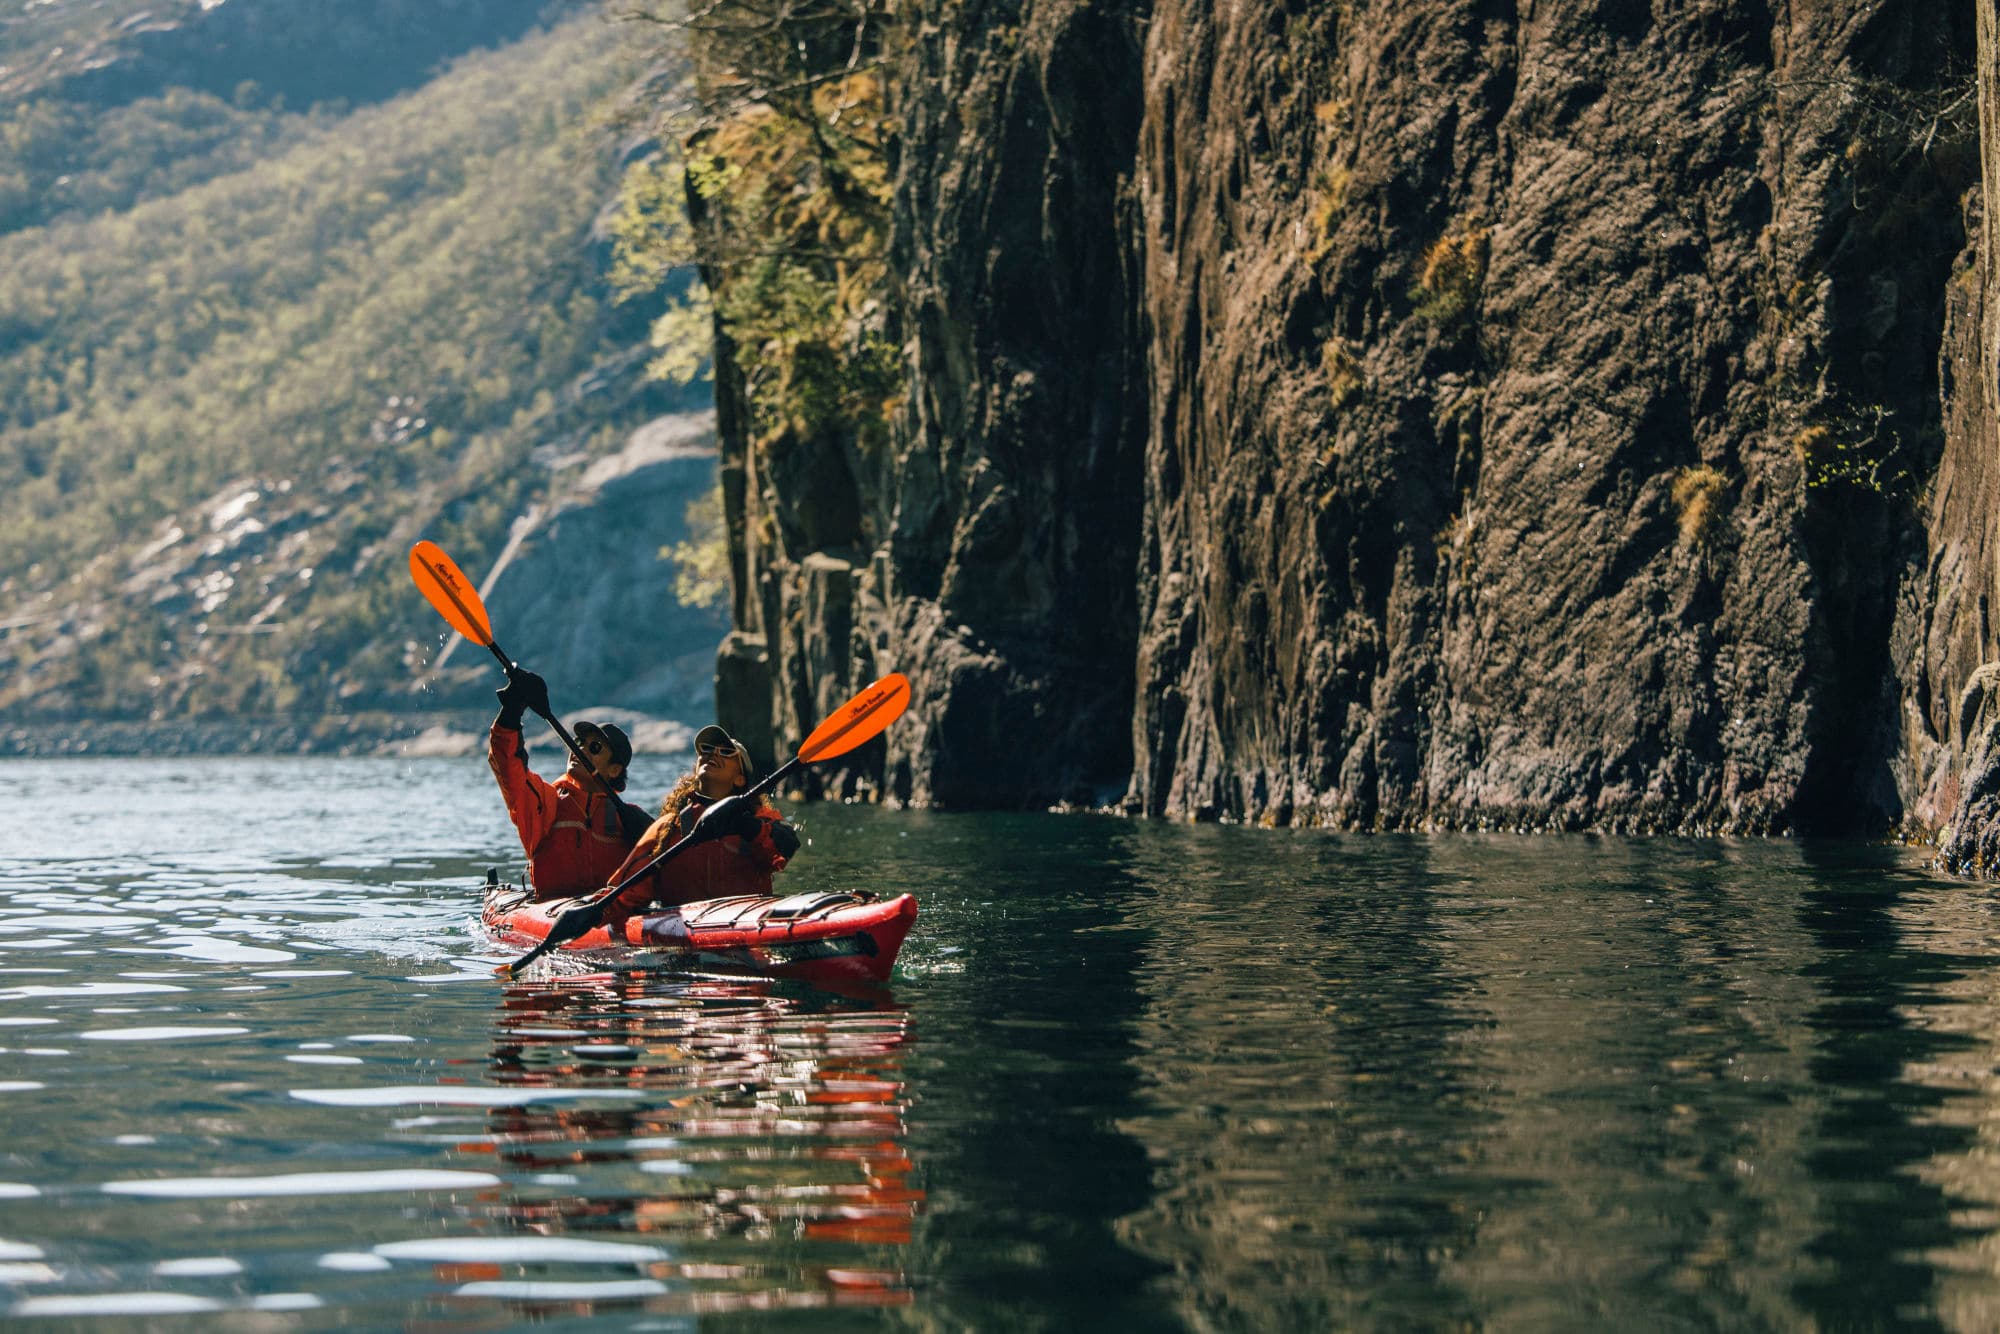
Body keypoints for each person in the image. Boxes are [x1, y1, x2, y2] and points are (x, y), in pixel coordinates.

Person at [598, 723, 801, 926]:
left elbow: (785, 848)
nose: (713, 754)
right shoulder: (667, 827)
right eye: (706, 749)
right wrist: (595, 912)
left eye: (726, 752)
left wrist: (747, 826)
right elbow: (626, 892)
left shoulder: (760, 819)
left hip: (745, 926)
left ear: (740, 779)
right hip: (684, 938)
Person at [487, 666, 651, 899]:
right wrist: (512, 709)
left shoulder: (630, 818)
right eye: (579, 741)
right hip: (552, 912)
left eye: (594, 748)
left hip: (610, 911)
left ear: (614, 770)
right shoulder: (545, 802)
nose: (580, 748)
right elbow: (507, 766)